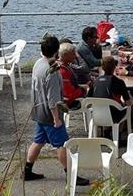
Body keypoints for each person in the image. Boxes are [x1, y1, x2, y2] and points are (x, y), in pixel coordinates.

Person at [24, 35, 89, 186]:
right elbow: (53, 99)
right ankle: (71, 175)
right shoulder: (52, 71)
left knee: (38, 141)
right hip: (49, 114)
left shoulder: (38, 64)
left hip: (38, 109)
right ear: (56, 52)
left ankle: (27, 171)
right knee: (62, 144)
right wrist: (56, 119)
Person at [89, 55, 131, 124]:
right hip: (114, 116)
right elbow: (128, 102)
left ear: (102, 68)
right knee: (125, 107)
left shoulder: (95, 81)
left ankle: (106, 130)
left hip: (97, 115)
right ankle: (119, 131)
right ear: (114, 67)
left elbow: (89, 99)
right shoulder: (119, 82)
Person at [58, 41, 87, 109]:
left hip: (72, 96)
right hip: (69, 103)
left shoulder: (66, 66)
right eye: (73, 54)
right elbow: (69, 95)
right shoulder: (62, 71)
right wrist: (84, 90)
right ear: (65, 55)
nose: (75, 56)